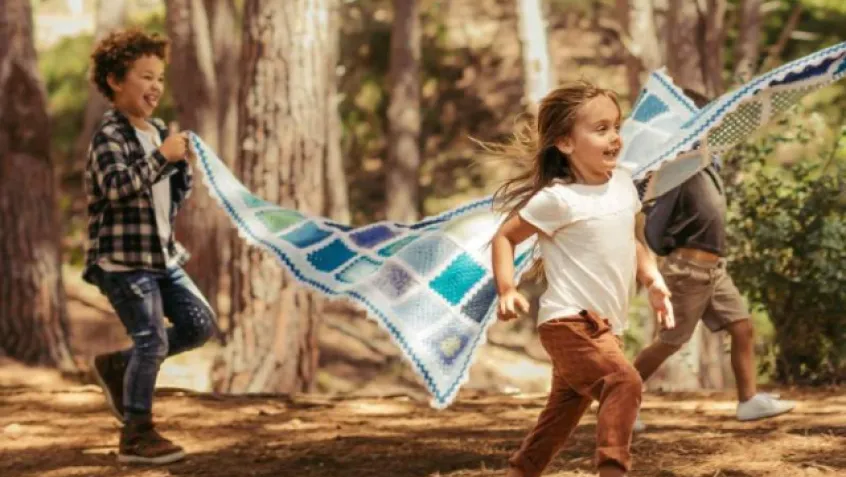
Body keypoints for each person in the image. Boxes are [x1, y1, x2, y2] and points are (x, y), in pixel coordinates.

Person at [490, 81, 675, 477]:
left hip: (607, 329)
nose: (615, 138)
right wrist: (507, 288)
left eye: (617, 127)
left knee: (561, 415)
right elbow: (505, 237)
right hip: (570, 323)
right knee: (624, 382)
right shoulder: (558, 199)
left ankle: (520, 471)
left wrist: (652, 278)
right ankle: (612, 470)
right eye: (601, 129)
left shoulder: (624, 183)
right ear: (566, 143)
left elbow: (630, 240)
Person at [83, 28, 216, 465]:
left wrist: (183, 166)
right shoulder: (109, 135)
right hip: (123, 261)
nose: (155, 86)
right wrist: (162, 157)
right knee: (151, 340)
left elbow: (170, 198)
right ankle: (136, 435)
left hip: (160, 255)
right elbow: (119, 187)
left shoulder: (157, 129)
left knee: (199, 325)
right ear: (116, 82)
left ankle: (118, 367)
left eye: (159, 77)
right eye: (145, 76)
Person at [632, 90, 796, 425]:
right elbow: (655, 224)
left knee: (742, 327)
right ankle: (619, 401)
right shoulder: (678, 169)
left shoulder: (708, 166)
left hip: (714, 270)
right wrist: (663, 251)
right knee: (669, 342)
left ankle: (748, 400)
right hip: (688, 270)